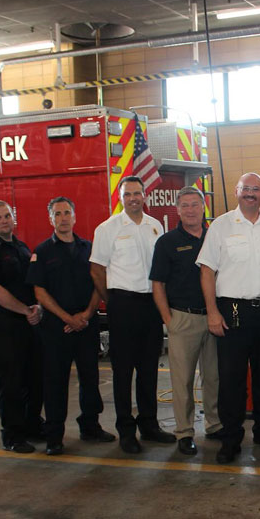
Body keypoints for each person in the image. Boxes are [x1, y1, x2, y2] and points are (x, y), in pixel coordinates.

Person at [197, 172, 260, 464]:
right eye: (245, 189)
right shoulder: (221, 226)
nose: (250, 193)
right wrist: (213, 311)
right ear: (236, 192)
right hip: (232, 311)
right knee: (232, 378)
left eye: (255, 189)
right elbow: (206, 270)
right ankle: (231, 437)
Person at [90, 176, 176, 454]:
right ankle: (126, 430)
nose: (134, 198)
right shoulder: (107, 228)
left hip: (151, 305)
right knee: (123, 371)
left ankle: (149, 424)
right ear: (121, 197)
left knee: (150, 369)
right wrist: (111, 301)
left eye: (138, 193)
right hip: (122, 305)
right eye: (128, 194)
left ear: (145, 196)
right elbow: (97, 269)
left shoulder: (155, 227)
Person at [26, 196, 115, 455]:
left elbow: (99, 283)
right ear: (50, 219)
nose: (63, 218)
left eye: (67, 213)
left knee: (90, 378)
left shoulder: (89, 249)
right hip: (56, 329)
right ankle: (54, 436)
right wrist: (68, 318)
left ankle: (91, 426)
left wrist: (87, 315)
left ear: (74, 217)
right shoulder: (42, 252)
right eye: (57, 214)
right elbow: (39, 293)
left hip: (86, 326)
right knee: (55, 382)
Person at [150, 186, 223, 456]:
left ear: (203, 206)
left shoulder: (215, 238)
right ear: (178, 209)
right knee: (181, 381)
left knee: (214, 376)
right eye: (185, 205)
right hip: (183, 317)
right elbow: (157, 284)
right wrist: (169, 320)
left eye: (195, 204)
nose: (190, 210)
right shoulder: (167, 243)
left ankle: (214, 425)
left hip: (214, 317)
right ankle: (185, 432)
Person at [0, 200, 44, 453]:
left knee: (34, 379)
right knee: (10, 383)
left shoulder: (21, 247)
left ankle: (32, 425)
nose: (4, 221)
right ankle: (12, 436)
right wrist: (26, 310)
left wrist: (36, 307)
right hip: (2, 326)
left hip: (27, 323)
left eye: (7, 216)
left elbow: (31, 282)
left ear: (14, 218)